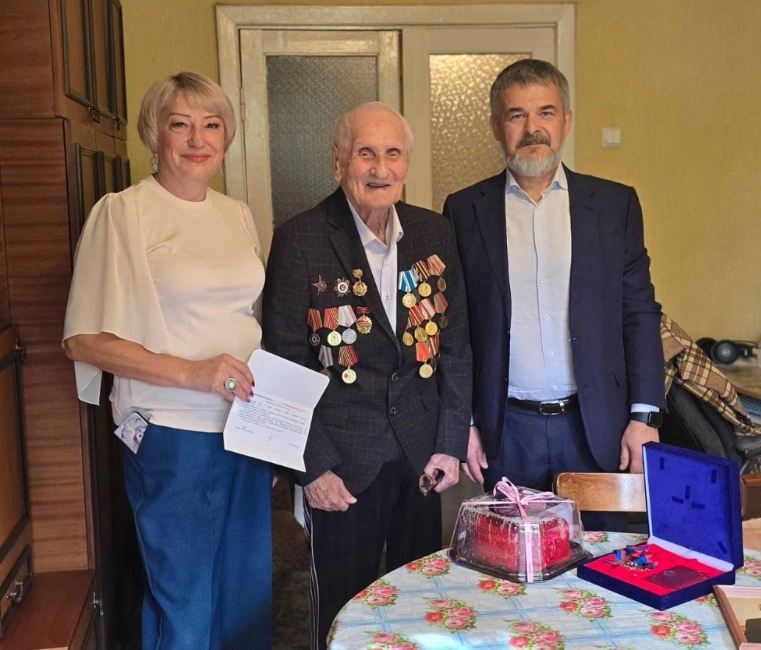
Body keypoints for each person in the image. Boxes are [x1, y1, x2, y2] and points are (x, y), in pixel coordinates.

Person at [62, 72, 272, 650]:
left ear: (227, 136)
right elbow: (83, 341)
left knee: (245, 596)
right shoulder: (124, 213)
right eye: (180, 124)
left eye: (212, 125)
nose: (197, 139)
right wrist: (195, 373)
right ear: (155, 134)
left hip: (246, 426)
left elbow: (242, 319)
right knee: (185, 600)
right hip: (171, 432)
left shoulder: (236, 213)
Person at [262, 101, 471, 648]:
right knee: (341, 614)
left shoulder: (434, 233)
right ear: (339, 164)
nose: (381, 169)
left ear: (407, 164)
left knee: (421, 610)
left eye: (393, 154)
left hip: (421, 458)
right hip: (341, 464)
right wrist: (312, 468)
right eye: (366, 154)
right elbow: (283, 362)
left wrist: (450, 443)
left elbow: (455, 348)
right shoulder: (300, 238)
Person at [443, 59, 665, 520]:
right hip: (506, 433)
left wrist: (644, 417)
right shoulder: (463, 211)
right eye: (517, 115)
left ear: (566, 121)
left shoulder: (614, 205)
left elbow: (639, 313)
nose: (532, 129)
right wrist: (463, 423)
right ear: (496, 126)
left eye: (545, 112)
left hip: (596, 427)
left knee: (601, 556)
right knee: (511, 559)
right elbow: (455, 329)